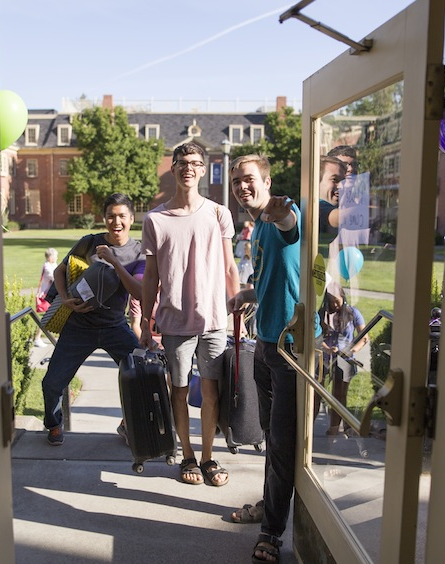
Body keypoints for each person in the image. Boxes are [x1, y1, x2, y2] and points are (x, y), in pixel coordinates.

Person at [140, 141, 241, 487]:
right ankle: (187, 456)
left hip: (213, 319)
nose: (188, 168)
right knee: (179, 391)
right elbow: (151, 277)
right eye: (182, 162)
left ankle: (209, 456)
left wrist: (237, 305)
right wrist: (143, 322)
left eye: (195, 163)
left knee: (211, 392)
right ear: (174, 168)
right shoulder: (155, 220)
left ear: (202, 169)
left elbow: (229, 267)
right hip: (174, 321)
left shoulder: (218, 213)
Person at [226, 154, 302, 563]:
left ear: (267, 180)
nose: (242, 187)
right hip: (265, 345)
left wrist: (284, 216)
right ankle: (268, 506)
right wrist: (246, 294)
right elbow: (278, 277)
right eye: (237, 181)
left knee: (283, 443)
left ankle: (271, 533)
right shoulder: (254, 229)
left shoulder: (282, 215)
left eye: (249, 179)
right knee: (271, 441)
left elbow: (291, 231)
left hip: (291, 351)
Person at [41, 193, 145, 446]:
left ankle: (128, 424)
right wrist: (65, 298)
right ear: (104, 218)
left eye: (122, 216)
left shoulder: (139, 251)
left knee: (141, 376)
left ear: (132, 218)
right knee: (52, 382)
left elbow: (139, 291)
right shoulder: (89, 243)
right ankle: (54, 425)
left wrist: (113, 261)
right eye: (111, 216)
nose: (116, 221)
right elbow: (60, 270)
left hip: (114, 327)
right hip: (79, 327)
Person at [320, 281, 367, 436]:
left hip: (345, 359)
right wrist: (327, 348)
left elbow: (364, 337)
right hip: (324, 358)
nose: (335, 305)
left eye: (337, 301)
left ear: (343, 297)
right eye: (331, 301)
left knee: (339, 393)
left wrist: (352, 350)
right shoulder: (322, 315)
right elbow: (315, 337)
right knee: (316, 393)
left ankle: (336, 426)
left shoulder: (353, 313)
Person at [34, 247, 58, 347]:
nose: (57, 258)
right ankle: (37, 338)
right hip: (46, 295)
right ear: (51, 257)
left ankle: (41, 337)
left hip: (50, 295)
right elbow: (54, 277)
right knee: (47, 317)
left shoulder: (52, 265)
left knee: (51, 316)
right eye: (55, 256)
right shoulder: (47, 267)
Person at [318, 155, 347, 235]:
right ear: (316, 182)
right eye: (334, 179)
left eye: (343, 182)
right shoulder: (317, 208)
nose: (341, 186)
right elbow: (340, 217)